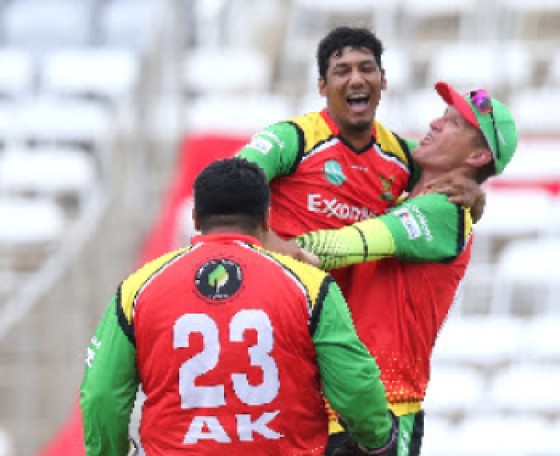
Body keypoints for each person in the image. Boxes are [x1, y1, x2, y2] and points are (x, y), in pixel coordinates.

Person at [235, 26, 483, 454]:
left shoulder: (398, 155)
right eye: (341, 70)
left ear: (383, 80)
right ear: (322, 86)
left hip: (335, 359)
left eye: (366, 68)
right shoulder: (295, 138)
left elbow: (448, 174)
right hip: (275, 332)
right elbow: (234, 181)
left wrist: (475, 193)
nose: (355, 79)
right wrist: (272, 243)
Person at [79, 157, 398, 456]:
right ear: (266, 217)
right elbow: (355, 386)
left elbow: (101, 395)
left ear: (195, 217)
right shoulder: (310, 286)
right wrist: (378, 439)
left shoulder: (138, 289)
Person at [296, 81, 519, 455]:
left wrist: (253, 246)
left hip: (384, 411)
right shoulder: (412, 195)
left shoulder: (445, 208)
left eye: (454, 123)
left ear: (479, 155)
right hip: (342, 407)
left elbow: (334, 249)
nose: (434, 123)